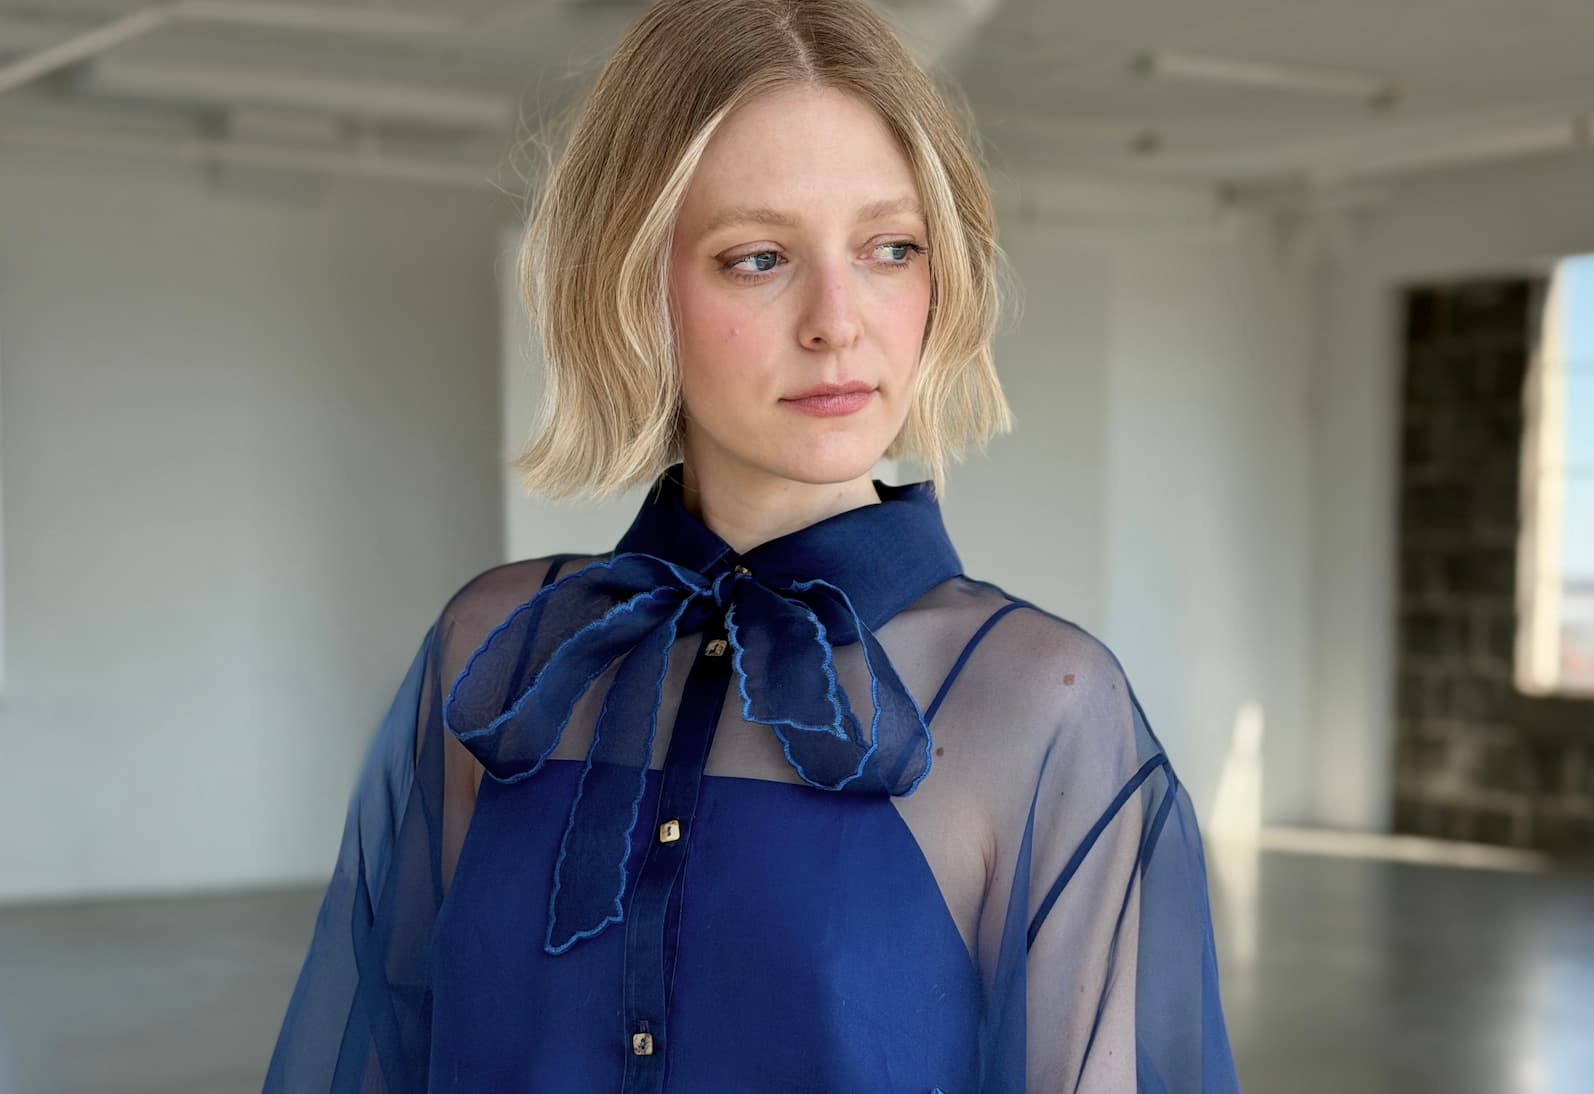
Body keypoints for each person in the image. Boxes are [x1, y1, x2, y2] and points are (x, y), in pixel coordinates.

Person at [264, 0, 1240, 1090]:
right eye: (759, 256)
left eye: (889, 247)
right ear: (633, 281)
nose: (838, 318)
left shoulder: (1040, 702)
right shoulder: (496, 651)